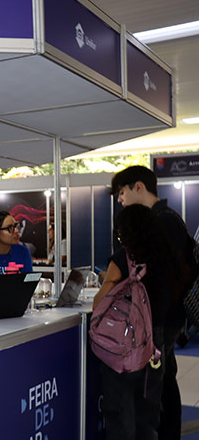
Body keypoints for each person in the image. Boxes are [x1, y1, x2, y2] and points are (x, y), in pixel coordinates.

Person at [110, 165, 198, 440]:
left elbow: (160, 273)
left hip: (161, 317)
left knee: (159, 389)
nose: (120, 200)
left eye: (122, 192)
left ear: (139, 186)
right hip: (163, 315)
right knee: (164, 384)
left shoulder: (162, 221)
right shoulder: (167, 218)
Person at [92, 204, 188, 440]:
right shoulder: (169, 258)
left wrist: (111, 282)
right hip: (155, 346)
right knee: (148, 414)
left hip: (125, 344)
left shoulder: (124, 259)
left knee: (120, 413)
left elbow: (99, 303)